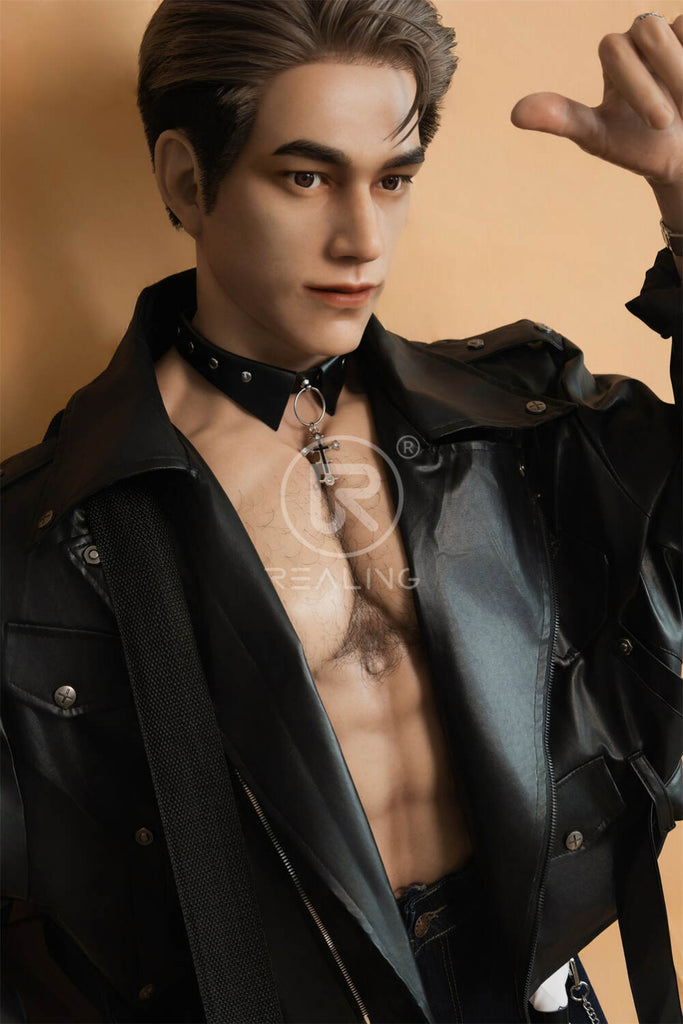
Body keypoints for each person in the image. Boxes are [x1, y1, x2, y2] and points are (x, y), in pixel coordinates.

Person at [2, 2, 681, 1022]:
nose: (363, 238)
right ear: (187, 181)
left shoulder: (515, 420)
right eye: (305, 177)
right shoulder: (66, 528)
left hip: (532, 988)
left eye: (392, 179)